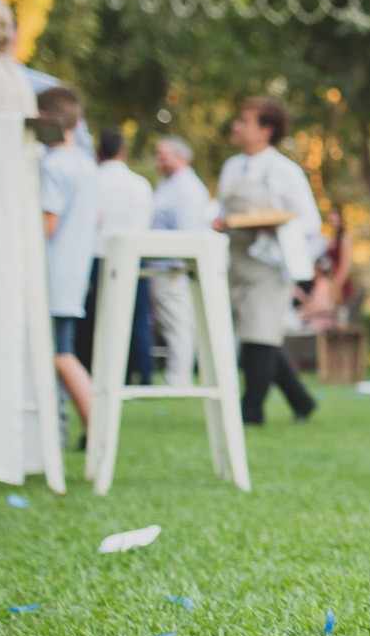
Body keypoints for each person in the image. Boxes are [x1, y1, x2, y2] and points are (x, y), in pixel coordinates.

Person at [213, 96, 320, 425]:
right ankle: (301, 401)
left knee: (259, 336)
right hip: (237, 259)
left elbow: (310, 222)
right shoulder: (232, 167)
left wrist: (272, 222)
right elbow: (222, 211)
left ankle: (251, 412)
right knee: (258, 335)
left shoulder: (284, 171)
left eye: (244, 121)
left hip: (270, 265)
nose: (236, 126)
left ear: (265, 130)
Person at [35, 87, 100, 444]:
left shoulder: (53, 165)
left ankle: (97, 425)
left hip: (52, 274)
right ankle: (77, 427)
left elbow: (48, 224)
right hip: (75, 271)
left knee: (60, 354)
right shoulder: (86, 166)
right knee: (62, 350)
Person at [91, 128, 157, 384]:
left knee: (101, 320)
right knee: (138, 320)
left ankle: (108, 374)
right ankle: (144, 375)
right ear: (123, 151)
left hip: (100, 256)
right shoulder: (140, 184)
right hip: (136, 256)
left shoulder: (94, 180)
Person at [147, 135, 210, 384]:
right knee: (170, 322)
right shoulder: (169, 184)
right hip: (161, 265)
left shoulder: (186, 188)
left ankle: (178, 377)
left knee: (178, 323)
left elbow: (187, 229)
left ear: (182, 158)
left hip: (173, 267)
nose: (159, 161)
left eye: (165, 156)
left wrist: (179, 263)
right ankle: (177, 375)